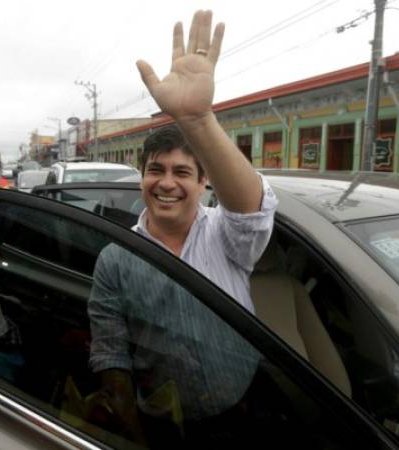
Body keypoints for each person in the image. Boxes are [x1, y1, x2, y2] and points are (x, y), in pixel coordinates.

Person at [87, 10, 277, 447]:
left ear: (203, 181)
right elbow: (110, 350)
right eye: (155, 170)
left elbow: (251, 211)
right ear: (141, 177)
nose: (167, 183)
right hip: (162, 422)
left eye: (182, 172)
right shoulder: (116, 257)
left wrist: (198, 120)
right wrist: (130, 429)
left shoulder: (225, 237)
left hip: (245, 409)